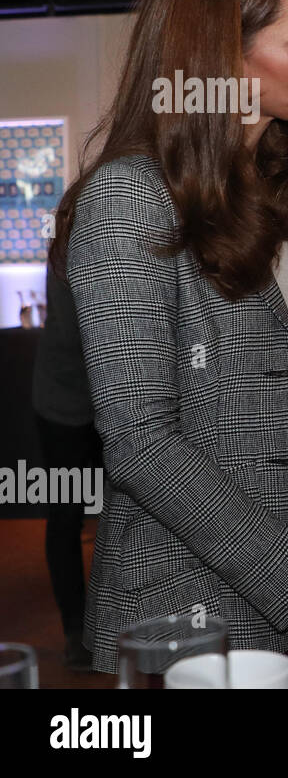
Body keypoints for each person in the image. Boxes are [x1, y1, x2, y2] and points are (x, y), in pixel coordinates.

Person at [53, 0, 288, 683]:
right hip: (191, 604)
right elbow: (142, 440)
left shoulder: (277, 198)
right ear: (224, 59)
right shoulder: (129, 200)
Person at [30, 262, 101, 671]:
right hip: (62, 406)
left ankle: (116, 618)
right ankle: (77, 631)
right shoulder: (68, 237)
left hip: (107, 401)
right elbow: (86, 330)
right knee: (65, 517)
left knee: (131, 509)